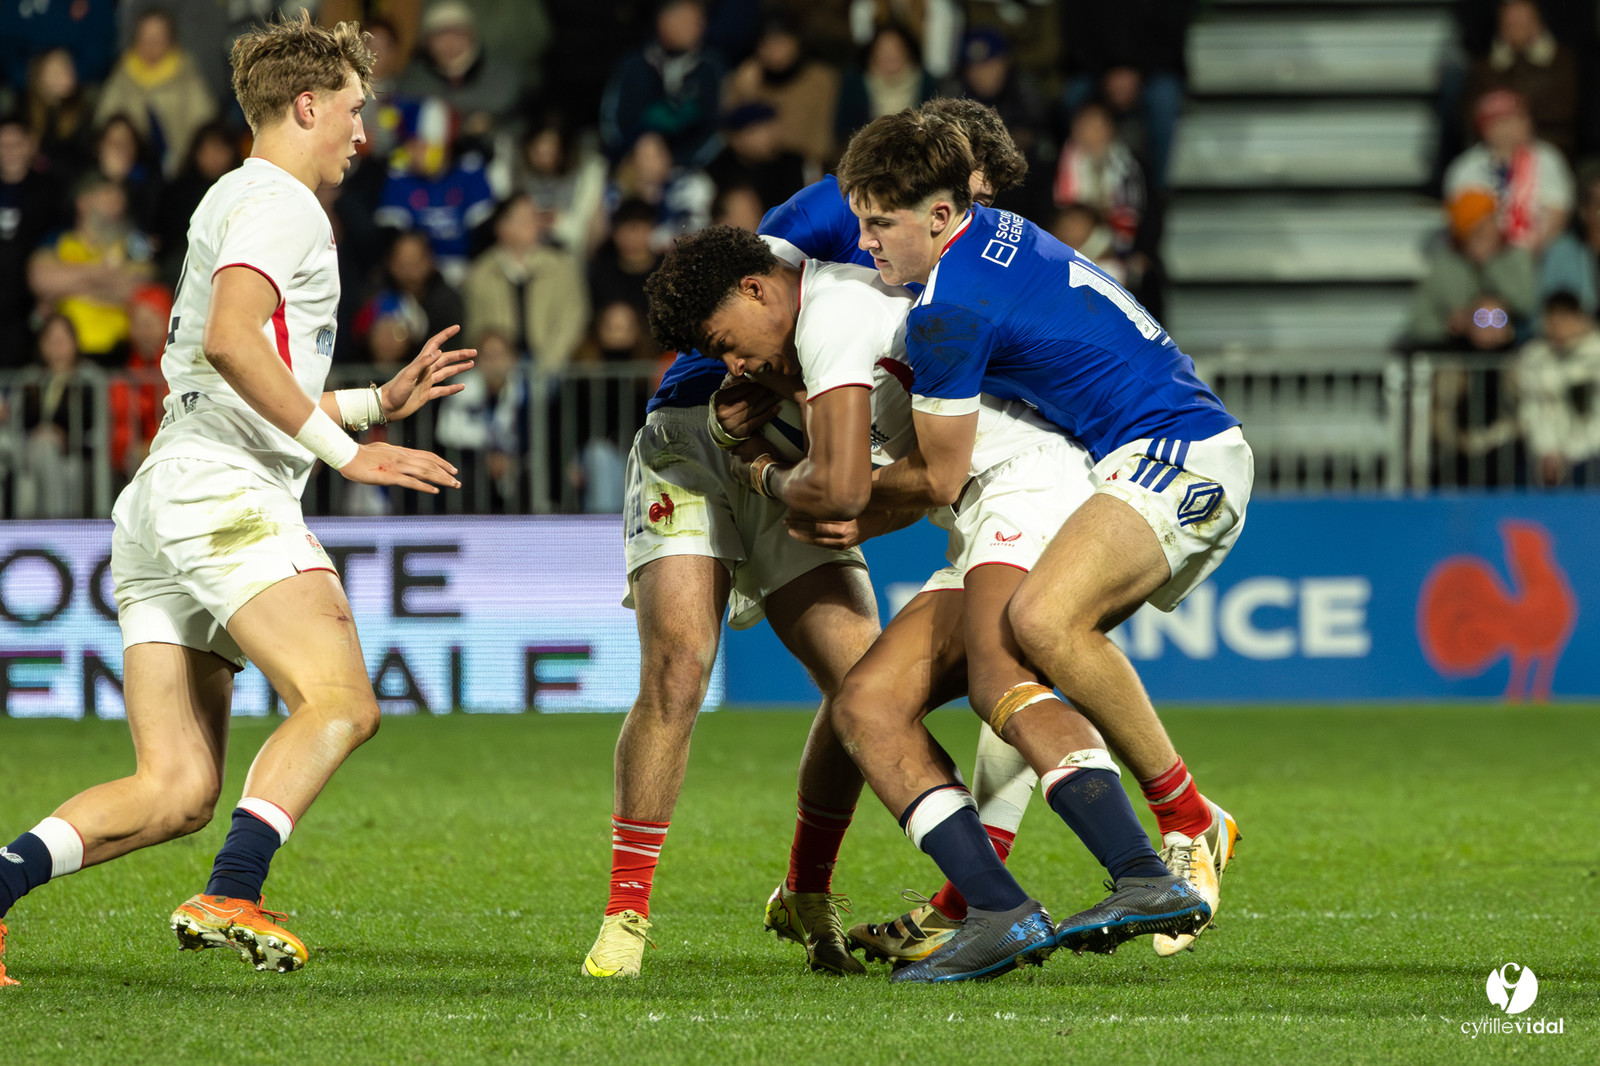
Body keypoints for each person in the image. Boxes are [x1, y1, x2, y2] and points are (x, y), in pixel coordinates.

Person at [0, 14, 473, 987]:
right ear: (308, 104)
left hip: (167, 494)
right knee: (340, 701)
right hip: (222, 492)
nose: (361, 133)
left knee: (175, 787)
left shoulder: (238, 196)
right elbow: (230, 340)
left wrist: (378, 400)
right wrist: (348, 450)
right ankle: (233, 890)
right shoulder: (285, 204)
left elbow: (239, 370)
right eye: (352, 109)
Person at [823, 106, 1251, 977]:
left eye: (880, 224)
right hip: (1145, 451)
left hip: (1175, 449)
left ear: (941, 217)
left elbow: (938, 481)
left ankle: (1186, 821)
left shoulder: (948, 308)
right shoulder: (1000, 230)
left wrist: (805, 491)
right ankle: (973, 904)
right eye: (858, 222)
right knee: (1003, 665)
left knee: (1042, 626)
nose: (865, 243)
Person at [1516, 291, 1600, 485]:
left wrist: (1570, 453)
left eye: (1564, 318)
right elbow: (1532, 409)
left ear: (1580, 318)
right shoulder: (1532, 356)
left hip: (1590, 453)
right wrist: (1546, 451)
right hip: (1544, 457)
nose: (1557, 326)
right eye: (1551, 319)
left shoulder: (1596, 352)